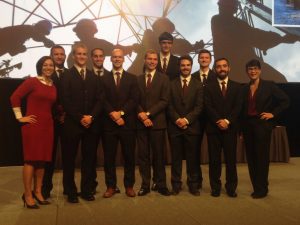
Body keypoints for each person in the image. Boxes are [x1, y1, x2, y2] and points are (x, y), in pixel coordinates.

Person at [211, 0, 298, 83]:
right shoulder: (222, 21)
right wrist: (281, 39)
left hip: (228, 72)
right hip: (240, 67)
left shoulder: (218, 20)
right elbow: (254, 36)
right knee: (279, 80)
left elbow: (253, 36)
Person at [10, 56, 57, 208]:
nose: (48, 67)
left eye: (51, 65)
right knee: (30, 160)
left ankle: (38, 192)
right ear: (40, 66)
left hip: (47, 127)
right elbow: (15, 97)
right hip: (33, 126)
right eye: (45, 65)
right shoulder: (32, 81)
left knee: (42, 160)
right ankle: (28, 194)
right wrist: (20, 117)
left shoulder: (53, 85)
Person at [61, 42, 103, 203]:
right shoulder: (66, 75)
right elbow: (65, 100)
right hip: (72, 125)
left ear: (87, 57)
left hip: (91, 125)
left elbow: (100, 100)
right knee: (69, 160)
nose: (82, 57)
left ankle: (86, 190)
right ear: (73, 56)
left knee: (89, 160)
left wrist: (90, 117)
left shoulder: (94, 76)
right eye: (78, 54)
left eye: (84, 54)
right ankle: (71, 191)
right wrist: (80, 117)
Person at [241, 59, 290, 199]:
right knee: (251, 158)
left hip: (262, 125)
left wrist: (273, 114)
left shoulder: (269, 85)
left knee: (261, 158)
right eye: (250, 69)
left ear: (260, 70)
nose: (253, 71)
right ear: (247, 72)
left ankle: (262, 188)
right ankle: (256, 187)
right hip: (247, 127)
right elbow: (241, 110)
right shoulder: (244, 88)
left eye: (255, 68)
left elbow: (285, 100)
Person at [101, 48, 138, 198]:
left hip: (127, 124)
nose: (117, 59)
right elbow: (102, 100)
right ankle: (111, 186)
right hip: (109, 125)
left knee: (129, 157)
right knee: (109, 157)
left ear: (123, 59)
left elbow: (134, 100)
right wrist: (113, 115)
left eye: (120, 57)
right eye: (114, 57)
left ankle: (129, 186)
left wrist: (121, 113)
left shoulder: (132, 78)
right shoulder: (103, 79)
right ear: (111, 59)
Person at [205, 57, 242, 198]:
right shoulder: (208, 87)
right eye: (219, 66)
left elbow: (238, 107)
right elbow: (208, 106)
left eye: (224, 66)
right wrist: (218, 121)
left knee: (231, 160)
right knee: (214, 161)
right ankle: (215, 187)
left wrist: (227, 121)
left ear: (229, 68)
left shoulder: (237, 87)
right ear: (215, 69)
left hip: (230, 129)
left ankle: (231, 187)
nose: (222, 68)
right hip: (213, 129)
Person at [136, 49, 171, 196]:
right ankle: (145, 185)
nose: (152, 61)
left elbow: (165, 101)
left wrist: (148, 114)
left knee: (158, 155)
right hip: (140, 123)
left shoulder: (164, 79)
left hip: (157, 123)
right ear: (144, 60)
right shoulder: (137, 79)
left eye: (154, 59)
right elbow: (134, 100)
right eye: (149, 59)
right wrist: (141, 115)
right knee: (143, 156)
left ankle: (160, 184)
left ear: (157, 61)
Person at [168, 55, 204, 196]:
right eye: (182, 65)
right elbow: (169, 105)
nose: (185, 67)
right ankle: (176, 185)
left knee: (192, 159)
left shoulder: (198, 84)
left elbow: (199, 106)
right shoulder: (171, 84)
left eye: (188, 65)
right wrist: (178, 120)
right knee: (176, 158)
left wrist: (186, 120)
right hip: (175, 127)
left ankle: (193, 185)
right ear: (179, 67)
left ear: (191, 66)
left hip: (192, 127)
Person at [42, 45, 67, 199]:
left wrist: (65, 113)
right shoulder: (46, 73)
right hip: (50, 121)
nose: (59, 57)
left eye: (61, 54)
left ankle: (68, 188)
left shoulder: (71, 73)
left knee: (68, 157)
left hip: (67, 121)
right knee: (48, 158)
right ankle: (45, 189)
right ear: (51, 56)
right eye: (55, 54)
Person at [191, 49, 217, 189]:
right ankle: (197, 181)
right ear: (198, 60)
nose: (204, 59)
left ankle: (214, 183)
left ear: (210, 59)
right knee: (195, 152)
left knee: (213, 154)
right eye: (201, 57)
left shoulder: (216, 76)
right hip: (196, 120)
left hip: (212, 120)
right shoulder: (193, 76)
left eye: (207, 57)